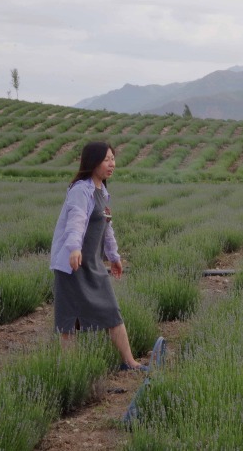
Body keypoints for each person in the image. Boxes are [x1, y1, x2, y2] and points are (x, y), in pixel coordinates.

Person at [50, 141, 148, 372]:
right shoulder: (80, 191)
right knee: (69, 321)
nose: (112, 164)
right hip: (73, 265)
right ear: (92, 162)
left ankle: (129, 362)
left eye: (113, 158)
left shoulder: (102, 192)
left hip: (92, 264)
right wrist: (74, 248)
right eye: (106, 159)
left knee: (111, 311)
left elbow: (107, 227)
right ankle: (69, 371)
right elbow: (76, 221)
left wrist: (114, 256)